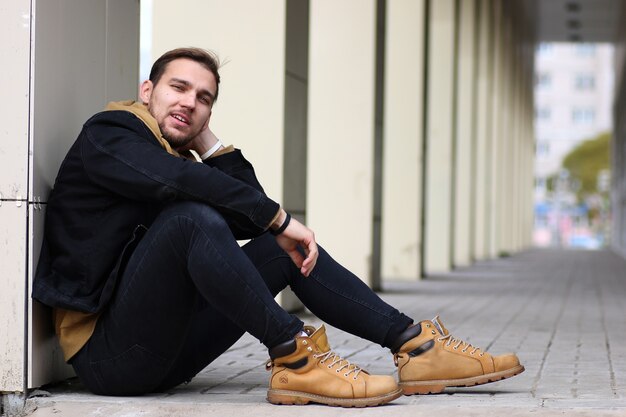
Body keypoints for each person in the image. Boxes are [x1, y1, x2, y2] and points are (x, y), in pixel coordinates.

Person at [34, 47, 524, 407]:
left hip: (171, 352)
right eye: (178, 88)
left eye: (203, 98)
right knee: (192, 218)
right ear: (148, 90)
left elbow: (244, 212)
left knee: (276, 248)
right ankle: (295, 357)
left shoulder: (181, 148)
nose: (189, 102)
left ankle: (415, 347)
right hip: (110, 359)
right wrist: (281, 218)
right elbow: (175, 183)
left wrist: (208, 139)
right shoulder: (110, 134)